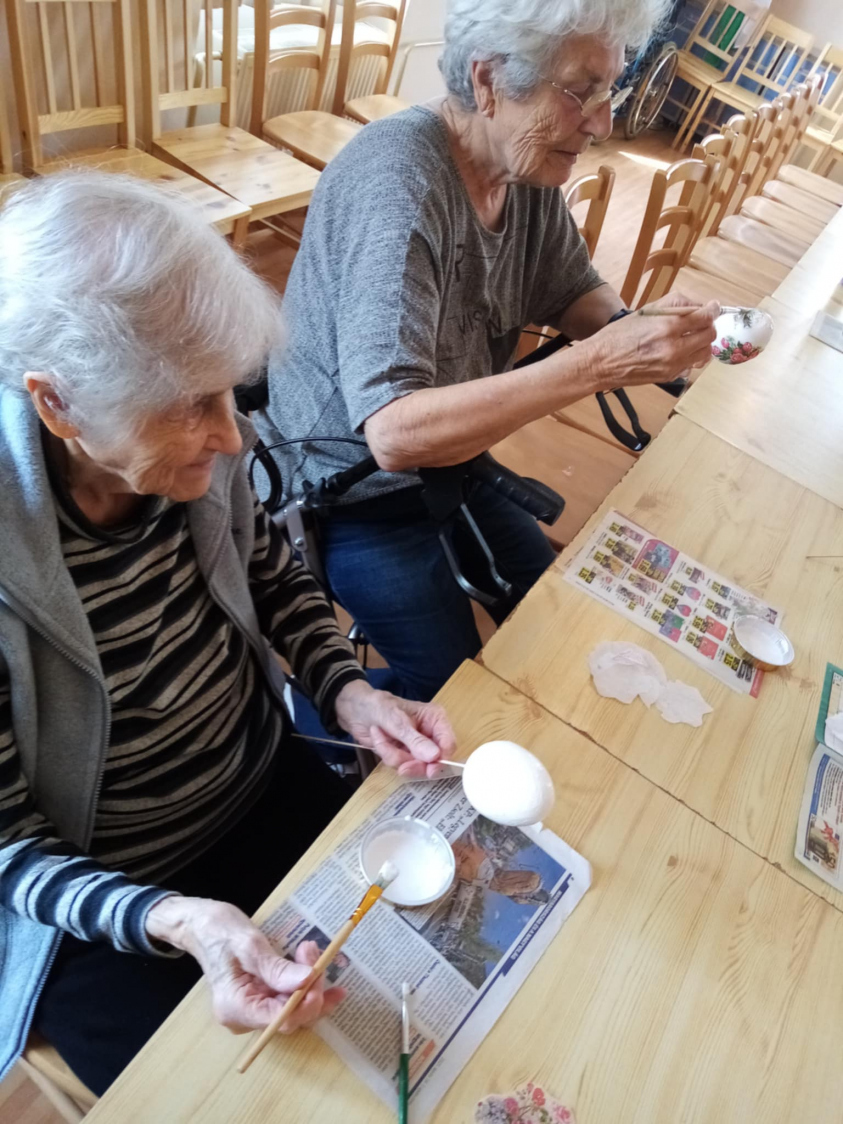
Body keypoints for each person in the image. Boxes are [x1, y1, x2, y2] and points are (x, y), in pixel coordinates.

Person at [0, 173, 456, 1095]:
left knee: (432, 974)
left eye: (227, 395)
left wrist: (347, 692)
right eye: (190, 406)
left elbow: (271, 574)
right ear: (56, 404)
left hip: (258, 781)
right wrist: (183, 920)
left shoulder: (186, 452)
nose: (232, 437)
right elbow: (8, 844)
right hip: (106, 899)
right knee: (239, 1093)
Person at [256, 0, 720, 702]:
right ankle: (301, 711)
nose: (602, 124)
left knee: (545, 619)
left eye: (610, 92)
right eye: (581, 91)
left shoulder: (518, 169)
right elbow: (395, 433)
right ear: (487, 81)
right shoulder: (400, 186)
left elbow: (572, 289)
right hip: (346, 491)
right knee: (451, 691)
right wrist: (598, 362)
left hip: (454, 462)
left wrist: (639, 328)